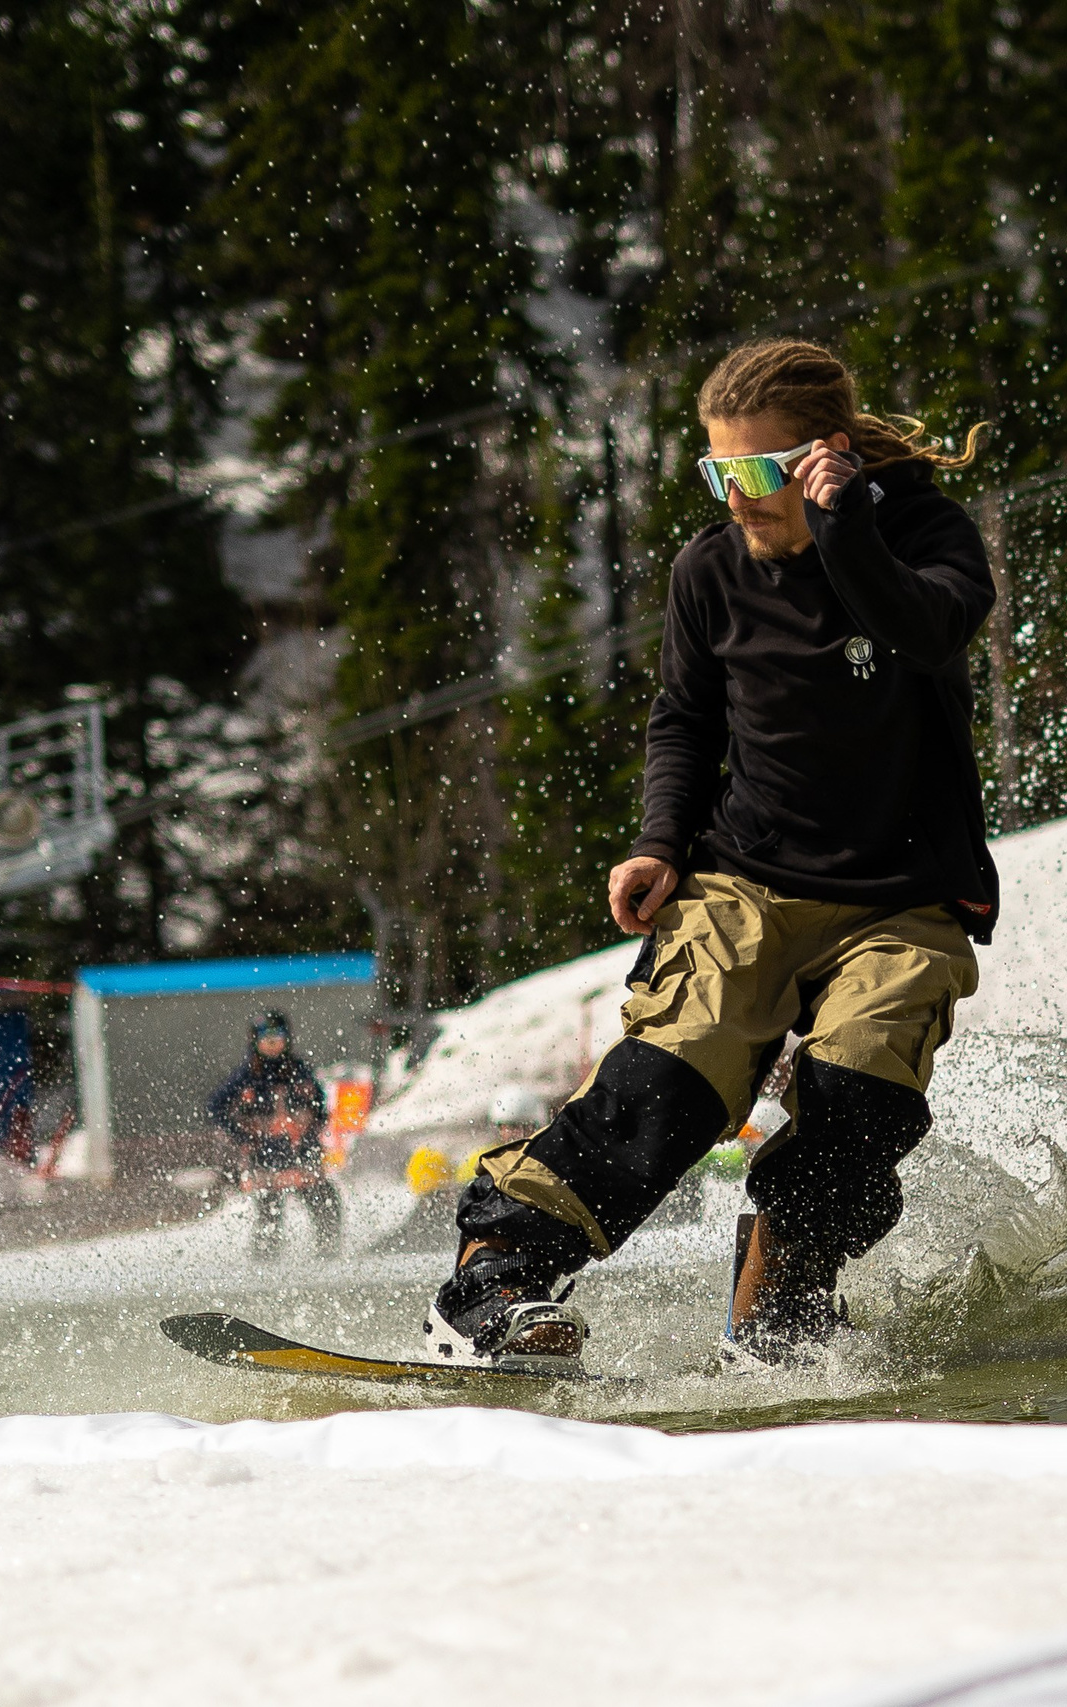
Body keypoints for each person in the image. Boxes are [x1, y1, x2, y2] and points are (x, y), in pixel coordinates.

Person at [427, 339, 998, 1365]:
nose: (736, 497)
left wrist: (843, 533)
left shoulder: (920, 534)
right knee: (673, 1085)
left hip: (905, 898)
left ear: (825, 460)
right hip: (747, 880)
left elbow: (929, 632)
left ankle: (780, 1302)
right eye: (716, 472)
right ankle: (496, 1281)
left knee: (858, 1099)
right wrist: (656, 843)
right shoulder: (709, 571)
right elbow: (685, 721)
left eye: (758, 473)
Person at [208, 1012, 343, 1259]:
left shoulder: (299, 1070)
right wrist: (243, 1136)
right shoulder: (247, 1076)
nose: (272, 1043)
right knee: (269, 1217)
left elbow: (320, 1107)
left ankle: (328, 1255)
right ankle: (264, 1265)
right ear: (255, 1041)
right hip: (265, 1159)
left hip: (302, 1156)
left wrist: (309, 1134)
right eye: (265, 1037)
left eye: (277, 1036)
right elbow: (216, 1107)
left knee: (326, 1205)